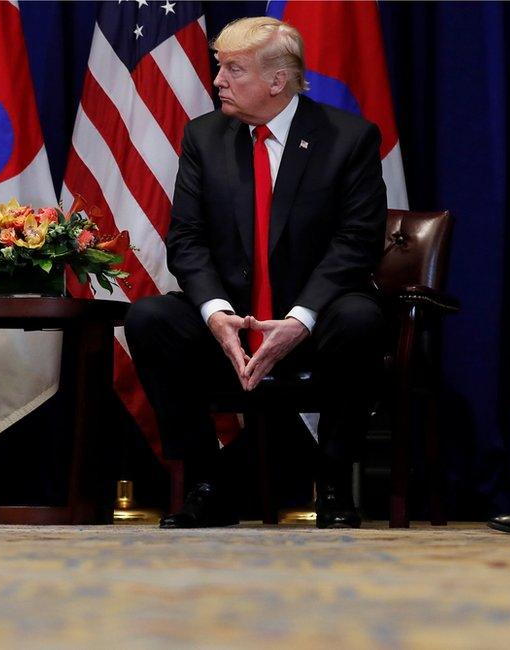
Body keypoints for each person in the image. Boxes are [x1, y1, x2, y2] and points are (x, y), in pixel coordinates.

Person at [124, 17, 387, 529]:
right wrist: (217, 313)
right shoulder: (204, 135)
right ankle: (207, 483)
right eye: (219, 67)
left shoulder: (348, 138)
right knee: (150, 319)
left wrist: (300, 318)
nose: (218, 80)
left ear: (277, 80)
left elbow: (356, 242)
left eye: (232, 69)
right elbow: (187, 238)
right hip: (235, 320)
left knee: (360, 319)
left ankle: (332, 483)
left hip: (315, 320)